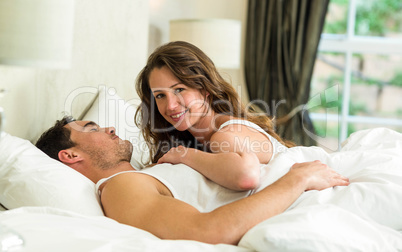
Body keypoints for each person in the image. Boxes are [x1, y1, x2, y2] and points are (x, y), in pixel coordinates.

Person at [35, 116, 349, 245]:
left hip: (313, 181)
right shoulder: (120, 188)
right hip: (305, 194)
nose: (110, 129)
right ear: (71, 156)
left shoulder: (143, 175)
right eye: (91, 129)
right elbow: (208, 230)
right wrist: (297, 179)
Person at [135, 41, 294, 191]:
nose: (170, 105)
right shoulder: (194, 140)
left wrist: (185, 154)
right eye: (160, 95)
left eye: (179, 90)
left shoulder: (224, 136)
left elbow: (247, 177)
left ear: (205, 90)